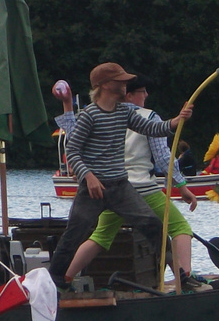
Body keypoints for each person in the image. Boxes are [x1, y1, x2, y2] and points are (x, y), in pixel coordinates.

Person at [48, 63, 193, 288]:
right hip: (93, 189)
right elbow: (72, 150)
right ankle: (53, 282)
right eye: (121, 80)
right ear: (105, 85)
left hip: (121, 187)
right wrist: (88, 176)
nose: (126, 84)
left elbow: (153, 129)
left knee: (153, 225)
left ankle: (181, 277)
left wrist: (176, 120)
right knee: (74, 234)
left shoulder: (125, 111)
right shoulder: (90, 115)